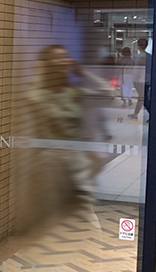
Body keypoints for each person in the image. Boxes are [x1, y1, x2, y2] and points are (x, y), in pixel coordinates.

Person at [23, 44, 114, 226]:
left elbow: (108, 95)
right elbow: (32, 98)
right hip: (49, 164)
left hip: (76, 161)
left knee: (85, 215)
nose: (64, 61)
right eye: (57, 58)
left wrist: (84, 73)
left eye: (65, 57)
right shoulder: (39, 94)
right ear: (46, 64)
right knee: (51, 219)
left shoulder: (74, 93)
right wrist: (40, 73)